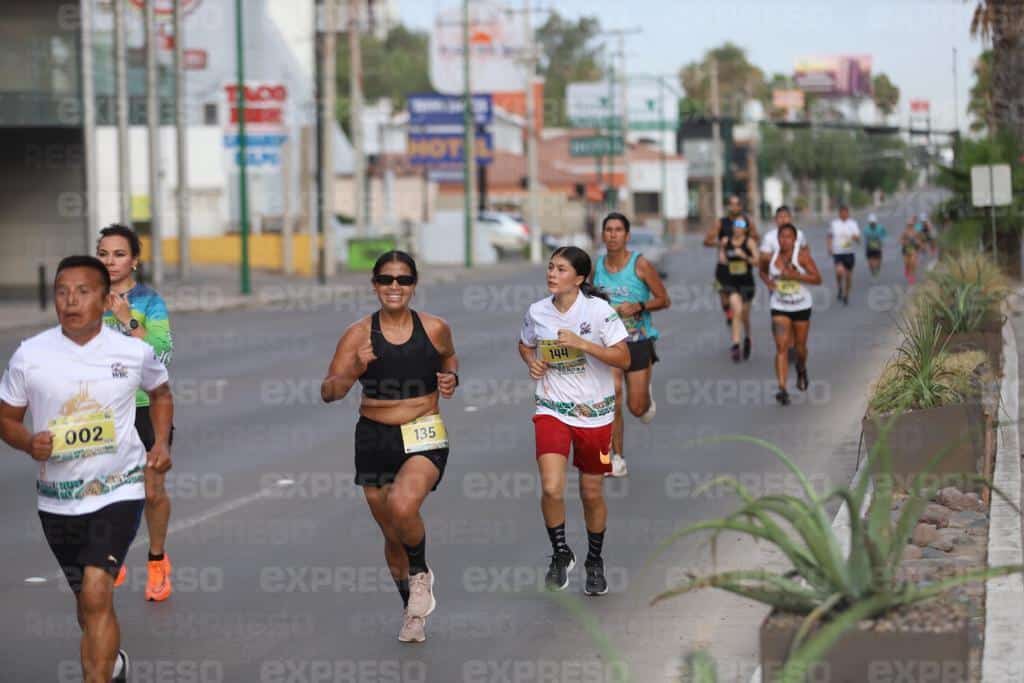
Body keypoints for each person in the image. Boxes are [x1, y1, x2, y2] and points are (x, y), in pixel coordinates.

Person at [0, 255, 173, 683]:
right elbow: (6, 417)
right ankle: (113, 666)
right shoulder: (30, 354)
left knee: (98, 591)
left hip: (118, 489)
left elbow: (162, 391)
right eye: (62, 291)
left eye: (82, 291)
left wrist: (162, 442)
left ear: (104, 298)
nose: (70, 300)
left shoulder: (133, 352)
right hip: (57, 500)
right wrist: (28, 442)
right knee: (87, 603)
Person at [321, 251, 458, 644]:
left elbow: (448, 359)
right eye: (386, 280)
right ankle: (412, 612)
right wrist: (354, 368)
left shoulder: (435, 328)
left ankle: (420, 575)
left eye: (402, 280)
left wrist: (451, 379)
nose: (394, 287)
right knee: (392, 533)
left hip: (423, 430)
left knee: (403, 506)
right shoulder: (358, 334)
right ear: (374, 285)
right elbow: (329, 391)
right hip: (374, 437)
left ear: (414, 285)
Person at [519, 246, 630, 596]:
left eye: (561, 269)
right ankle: (560, 552)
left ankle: (594, 561)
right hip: (552, 407)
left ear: (579, 278)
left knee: (590, 492)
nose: (552, 273)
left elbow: (623, 358)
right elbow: (525, 344)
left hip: (594, 413)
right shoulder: (538, 311)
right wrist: (532, 362)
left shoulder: (598, 312)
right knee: (552, 486)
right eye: (550, 267)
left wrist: (584, 344)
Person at [96, 224, 175, 601]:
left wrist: (127, 318)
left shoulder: (149, 302)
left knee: (152, 491)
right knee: (103, 489)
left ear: (135, 261)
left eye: (119, 254)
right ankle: (113, 556)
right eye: (104, 254)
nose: (110, 261)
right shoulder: (87, 297)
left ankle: (157, 562)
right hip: (101, 412)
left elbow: (160, 355)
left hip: (144, 408)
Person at [592, 212, 671, 478]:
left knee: (637, 408)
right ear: (602, 235)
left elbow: (663, 299)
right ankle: (616, 457)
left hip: (638, 341)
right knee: (613, 396)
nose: (612, 235)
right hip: (610, 344)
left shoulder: (640, 265)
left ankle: (645, 397)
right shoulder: (597, 266)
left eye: (618, 230)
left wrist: (638, 305)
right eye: (608, 230)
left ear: (626, 236)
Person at [761, 225, 822, 406]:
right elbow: (762, 270)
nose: (784, 240)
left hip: (801, 306)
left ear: (795, 240)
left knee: (800, 348)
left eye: (788, 237)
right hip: (779, 306)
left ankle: (801, 368)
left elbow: (817, 279)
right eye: (781, 236)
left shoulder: (802, 257)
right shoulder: (771, 257)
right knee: (782, 347)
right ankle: (782, 388)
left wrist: (796, 275)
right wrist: (769, 283)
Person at [704, 195, 759, 328]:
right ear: (728, 206)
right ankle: (728, 312)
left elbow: (756, 237)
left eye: (736, 204)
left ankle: (737, 315)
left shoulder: (747, 221)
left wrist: (747, 244)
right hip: (723, 265)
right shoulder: (721, 222)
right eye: (731, 204)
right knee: (723, 296)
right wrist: (720, 244)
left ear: (741, 206)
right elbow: (707, 241)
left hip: (742, 265)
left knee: (740, 296)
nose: (734, 207)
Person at [718, 218, 758, 362]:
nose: (737, 228)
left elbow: (757, 262)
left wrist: (745, 256)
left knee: (745, 316)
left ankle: (747, 337)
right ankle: (736, 344)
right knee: (736, 311)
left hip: (747, 283)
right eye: (735, 225)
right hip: (732, 283)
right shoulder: (725, 241)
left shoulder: (749, 242)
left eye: (741, 225)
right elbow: (722, 259)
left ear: (746, 229)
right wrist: (722, 258)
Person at [827, 205, 860, 305]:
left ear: (848, 213)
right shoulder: (834, 224)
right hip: (838, 252)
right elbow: (829, 236)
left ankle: (846, 294)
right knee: (839, 272)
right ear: (839, 213)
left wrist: (855, 238)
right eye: (842, 212)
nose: (844, 214)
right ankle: (840, 287)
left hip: (849, 252)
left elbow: (858, 239)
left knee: (848, 276)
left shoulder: (853, 224)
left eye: (846, 212)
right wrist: (829, 247)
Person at [901, 219, 924, 284]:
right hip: (906, 249)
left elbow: (919, 240)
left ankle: (912, 276)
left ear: (913, 225)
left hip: (913, 249)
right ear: (907, 225)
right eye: (909, 225)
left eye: (911, 225)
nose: (910, 226)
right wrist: (904, 242)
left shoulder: (916, 232)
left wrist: (920, 245)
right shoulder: (905, 232)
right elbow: (900, 240)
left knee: (913, 262)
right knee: (907, 263)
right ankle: (907, 269)